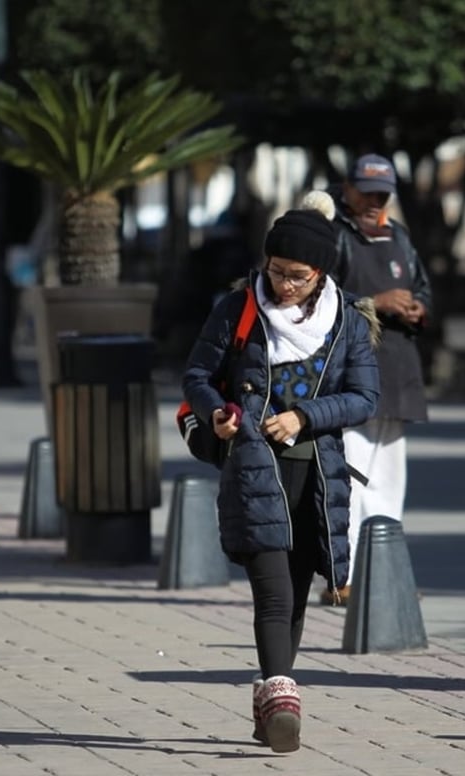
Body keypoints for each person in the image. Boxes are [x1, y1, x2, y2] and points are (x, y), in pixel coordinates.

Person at [182, 191, 379, 753]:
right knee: (270, 594)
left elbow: (365, 397)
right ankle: (285, 699)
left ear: (320, 274)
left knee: (293, 597)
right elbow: (197, 374)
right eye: (275, 272)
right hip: (252, 469)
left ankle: (268, 704)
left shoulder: (347, 322)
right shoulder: (238, 307)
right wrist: (216, 413)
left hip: (317, 481)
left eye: (297, 276)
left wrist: (304, 416)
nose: (284, 285)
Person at [326, 153, 433, 605]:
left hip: (399, 367)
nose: (374, 200)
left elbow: (423, 285)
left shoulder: (400, 236)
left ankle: (384, 571)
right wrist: (375, 301)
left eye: (382, 193)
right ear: (347, 189)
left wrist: (417, 306)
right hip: (353, 371)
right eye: (366, 191)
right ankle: (340, 577)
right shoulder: (332, 235)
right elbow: (318, 299)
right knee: (348, 477)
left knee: (389, 480)